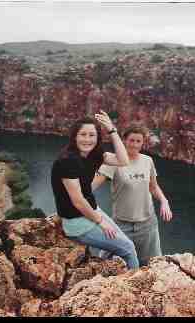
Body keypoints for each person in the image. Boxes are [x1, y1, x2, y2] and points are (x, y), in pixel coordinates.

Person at [51, 111, 139, 269]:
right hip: (77, 222)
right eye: (83, 134)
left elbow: (123, 160)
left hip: (92, 212)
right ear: (75, 137)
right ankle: (136, 287)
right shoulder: (67, 161)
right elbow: (77, 201)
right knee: (128, 249)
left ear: (98, 138)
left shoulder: (94, 155)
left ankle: (108, 275)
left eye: (92, 135)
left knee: (121, 244)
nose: (87, 139)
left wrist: (112, 130)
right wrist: (100, 222)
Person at [92, 124, 173, 266]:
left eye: (138, 141)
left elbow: (153, 187)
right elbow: (92, 186)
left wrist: (164, 201)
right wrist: (75, 196)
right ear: (124, 141)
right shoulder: (114, 161)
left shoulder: (147, 161)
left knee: (152, 265)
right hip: (122, 225)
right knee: (103, 262)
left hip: (147, 224)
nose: (134, 145)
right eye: (131, 140)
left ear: (142, 143)